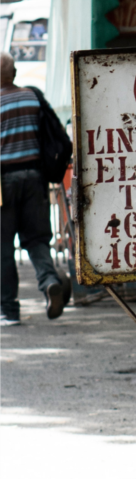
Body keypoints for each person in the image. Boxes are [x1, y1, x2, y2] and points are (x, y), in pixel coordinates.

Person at [0, 52, 65, 325]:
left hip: (2, 182)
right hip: (35, 177)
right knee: (37, 239)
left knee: (3, 247)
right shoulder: (32, 96)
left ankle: (9, 310)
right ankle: (50, 281)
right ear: (14, 73)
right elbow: (55, 133)